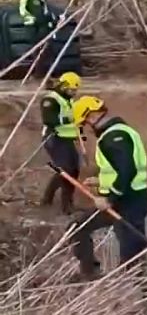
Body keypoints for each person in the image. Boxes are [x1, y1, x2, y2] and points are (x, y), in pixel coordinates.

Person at [69, 96, 147, 281]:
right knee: (78, 227)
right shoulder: (117, 133)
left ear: (92, 115)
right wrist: (100, 181)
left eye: (85, 121)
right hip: (124, 199)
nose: (88, 126)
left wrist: (109, 198)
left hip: (129, 202)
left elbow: (127, 170)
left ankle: (143, 298)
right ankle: (90, 273)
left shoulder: (114, 137)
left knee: (132, 253)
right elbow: (119, 169)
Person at [38, 72, 84, 215]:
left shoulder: (68, 100)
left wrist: (79, 132)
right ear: (64, 86)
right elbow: (49, 120)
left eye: (75, 90)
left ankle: (53, 200)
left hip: (67, 138)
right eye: (71, 90)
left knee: (74, 170)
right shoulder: (50, 99)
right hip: (54, 138)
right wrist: (71, 119)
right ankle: (63, 205)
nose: (73, 93)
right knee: (66, 170)